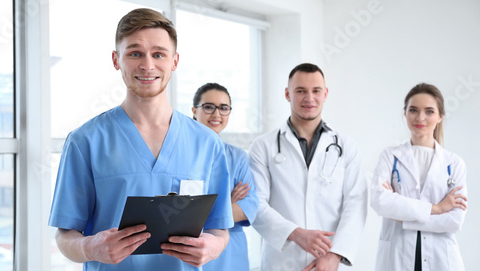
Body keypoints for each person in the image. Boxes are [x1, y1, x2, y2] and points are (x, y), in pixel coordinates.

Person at [48, 8, 233, 271]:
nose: (147, 65)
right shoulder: (85, 141)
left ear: (175, 61)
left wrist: (214, 247)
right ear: (116, 59)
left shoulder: (207, 143)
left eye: (159, 54)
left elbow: (219, 229)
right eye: (135, 53)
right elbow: (65, 237)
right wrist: (92, 248)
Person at [248, 63, 367, 271]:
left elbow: (356, 203)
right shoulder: (263, 146)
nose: (309, 98)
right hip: (280, 261)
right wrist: (295, 233)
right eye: (300, 91)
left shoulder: (346, 146)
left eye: (316, 91)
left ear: (325, 94)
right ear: (287, 94)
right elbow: (255, 204)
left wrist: (334, 255)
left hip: (328, 262)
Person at [371, 83, 468, 271]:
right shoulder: (390, 156)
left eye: (429, 111)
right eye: (413, 110)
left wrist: (401, 214)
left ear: (440, 116)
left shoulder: (454, 163)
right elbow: (380, 201)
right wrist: (437, 208)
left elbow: (454, 221)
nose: (420, 118)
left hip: (441, 259)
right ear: (405, 114)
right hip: (396, 256)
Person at [191, 82, 259, 271]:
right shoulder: (178, 156)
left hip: (231, 255)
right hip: (189, 250)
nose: (216, 114)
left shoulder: (237, 157)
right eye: (208, 107)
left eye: (224, 108)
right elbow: (173, 211)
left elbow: (250, 207)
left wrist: (198, 211)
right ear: (194, 111)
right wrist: (227, 205)